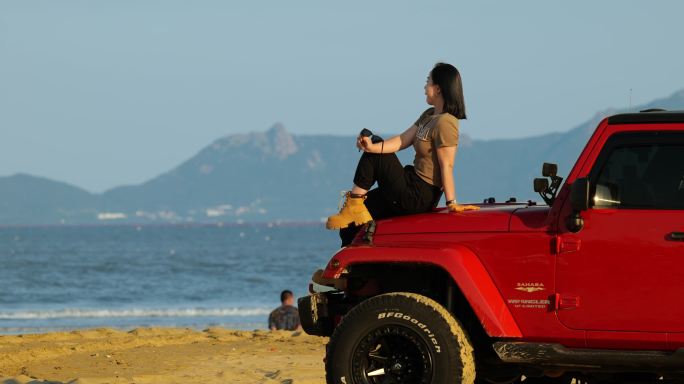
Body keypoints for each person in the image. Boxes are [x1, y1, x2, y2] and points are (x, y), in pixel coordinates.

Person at [326, 62, 479, 246]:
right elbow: (402, 140)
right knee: (353, 220)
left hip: (419, 194)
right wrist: (370, 147)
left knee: (376, 150)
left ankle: (354, 203)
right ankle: (344, 268)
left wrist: (452, 202)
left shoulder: (447, 123)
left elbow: (447, 165)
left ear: (437, 88)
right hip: (409, 182)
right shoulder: (429, 115)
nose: (424, 87)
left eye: (427, 82)